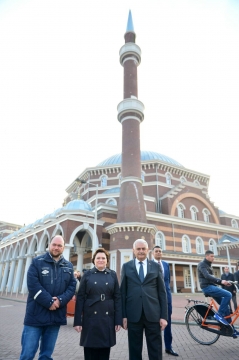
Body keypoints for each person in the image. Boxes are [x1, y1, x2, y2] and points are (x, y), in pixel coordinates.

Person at [19, 235, 76, 360]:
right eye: (54, 244)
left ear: (63, 247)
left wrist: (60, 300)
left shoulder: (68, 266)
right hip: (35, 317)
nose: (56, 248)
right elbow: (33, 285)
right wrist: (49, 301)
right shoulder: (37, 262)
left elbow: (72, 287)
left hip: (54, 318)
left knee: (46, 356)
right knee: (27, 355)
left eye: (59, 245)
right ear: (49, 245)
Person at [120, 239, 168, 360]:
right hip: (133, 315)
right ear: (133, 250)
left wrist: (164, 316)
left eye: (143, 249)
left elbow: (162, 293)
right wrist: (123, 316)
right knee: (134, 350)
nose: (141, 251)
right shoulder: (126, 267)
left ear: (148, 250)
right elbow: (123, 293)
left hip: (153, 314)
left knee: (155, 349)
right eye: (138, 249)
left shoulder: (156, 267)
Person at [74, 248, 122, 360]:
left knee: (105, 352)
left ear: (107, 260)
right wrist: (77, 321)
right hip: (90, 317)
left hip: (107, 318)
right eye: (98, 258)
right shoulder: (87, 274)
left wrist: (118, 320)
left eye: (103, 258)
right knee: (90, 352)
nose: (101, 260)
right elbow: (80, 298)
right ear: (94, 260)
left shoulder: (112, 275)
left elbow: (117, 298)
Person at [197, 250, 239, 337]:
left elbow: (212, 278)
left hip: (212, 286)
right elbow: (207, 276)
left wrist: (223, 282)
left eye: (213, 256)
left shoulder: (209, 265)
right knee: (228, 294)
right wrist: (220, 281)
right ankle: (219, 315)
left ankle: (231, 329)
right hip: (207, 287)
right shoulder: (202, 265)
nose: (213, 258)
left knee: (226, 306)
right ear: (207, 256)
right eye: (212, 256)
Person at [152, 245, 178, 357]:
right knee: (154, 325)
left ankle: (168, 347)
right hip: (154, 299)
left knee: (168, 323)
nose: (158, 253)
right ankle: (156, 349)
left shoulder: (166, 265)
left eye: (160, 251)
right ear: (153, 253)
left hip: (167, 298)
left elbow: (167, 281)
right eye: (156, 251)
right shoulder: (149, 265)